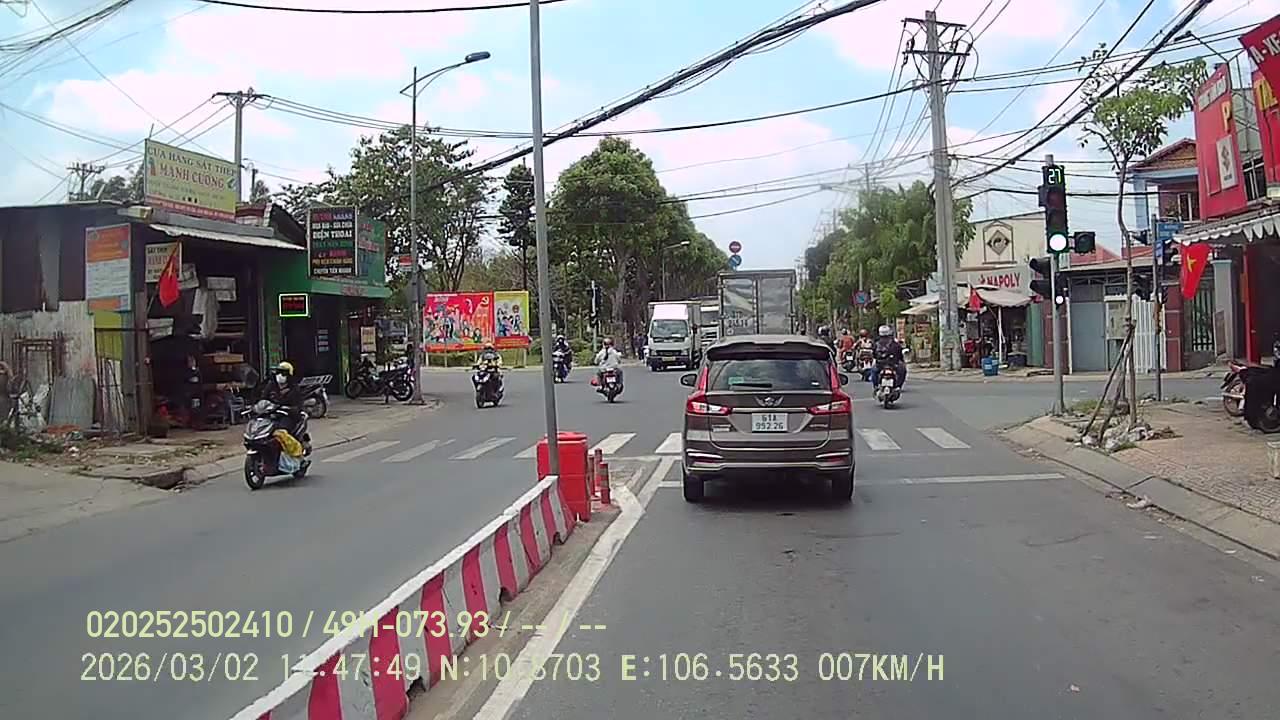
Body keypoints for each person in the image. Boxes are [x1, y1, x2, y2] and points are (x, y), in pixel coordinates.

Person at [261, 361, 305, 436]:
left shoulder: (294, 388)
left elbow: (298, 405)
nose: (279, 375)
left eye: (283, 373)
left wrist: (290, 409)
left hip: (287, 417)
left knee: (281, 434)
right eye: (278, 372)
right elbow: (263, 399)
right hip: (270, 415)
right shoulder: (271, 385)